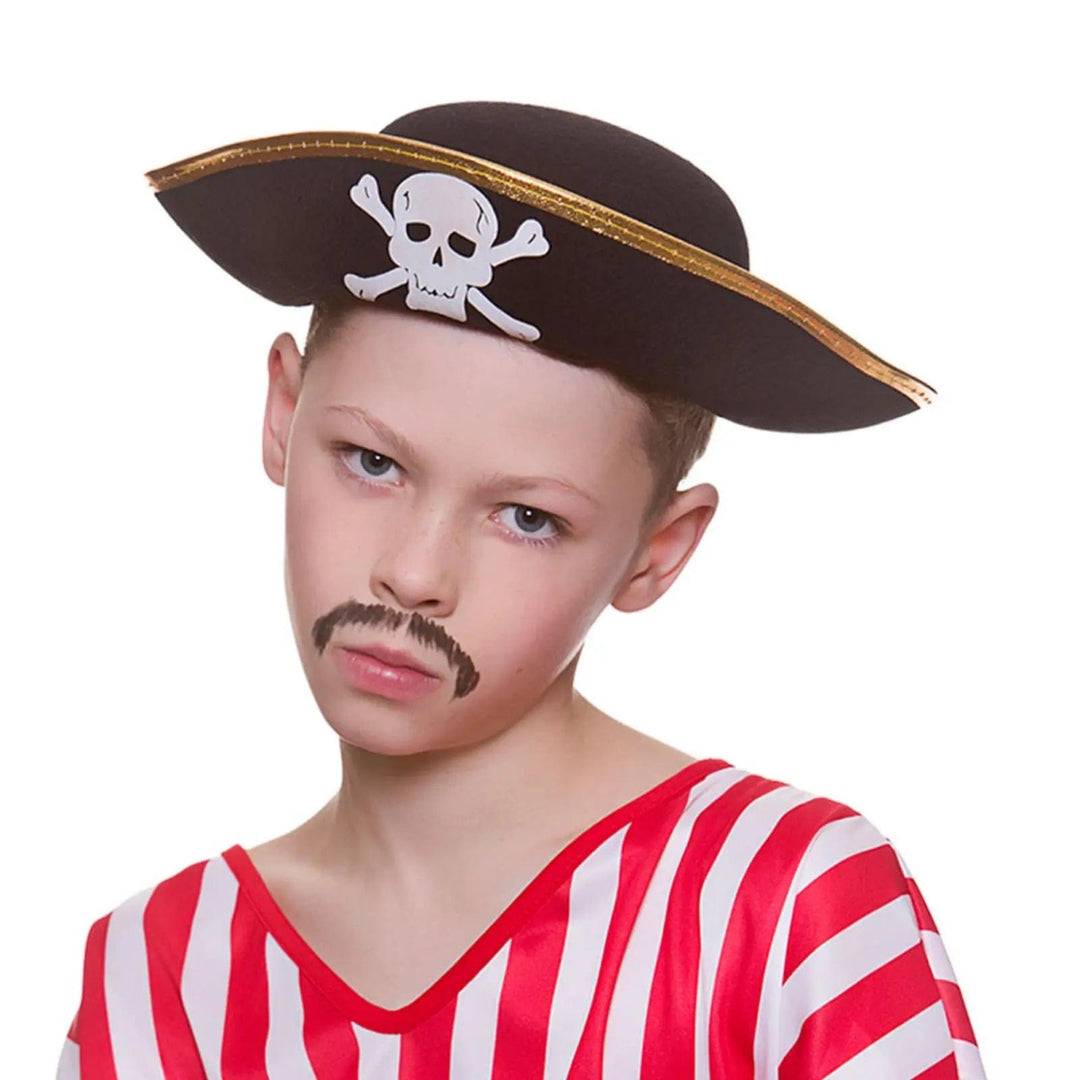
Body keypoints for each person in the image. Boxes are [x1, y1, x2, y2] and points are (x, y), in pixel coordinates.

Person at [56, 101, 987, 1079]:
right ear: (284, 416)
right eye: (371, 461)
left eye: (528, 518)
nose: (414, 575)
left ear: (656, 553)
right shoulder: (152, 976)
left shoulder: (787, 908)